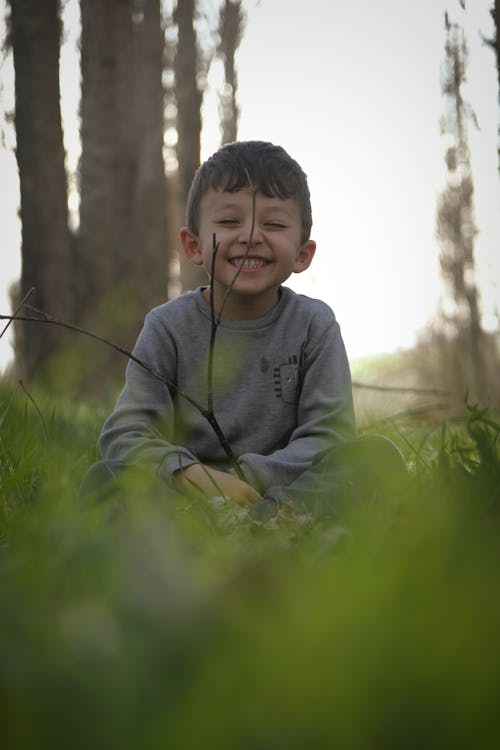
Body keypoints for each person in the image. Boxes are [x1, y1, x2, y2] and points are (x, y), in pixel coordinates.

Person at [84, 141, 404, 521]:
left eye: (274, 224)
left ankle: (270, 524)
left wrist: (243, 479)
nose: (251, 236)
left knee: (377, 459)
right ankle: (204, 535)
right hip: (190, 500)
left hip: (288, 495)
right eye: (229, 222)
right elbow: (126, 433)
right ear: (193, 245)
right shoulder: (167, 327)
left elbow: (330, 436)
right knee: (104, 479)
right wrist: (193, 476)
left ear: (303, 254)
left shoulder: (314, 326)